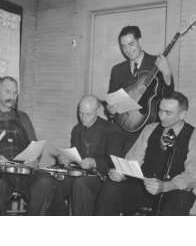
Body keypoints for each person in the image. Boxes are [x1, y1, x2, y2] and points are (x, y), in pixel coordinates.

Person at [0, 76, 58, 215]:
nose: (12, 97)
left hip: (23, 172)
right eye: (8, 92)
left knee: (46, 181)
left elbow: (35, 147)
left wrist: (34, 160)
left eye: (15, 93)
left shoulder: (23, 118)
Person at [95, 91, 196, 216]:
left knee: (181, 199)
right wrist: (122, 173)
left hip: (173, 191)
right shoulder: (150, 129)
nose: (161, 116)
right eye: (160, 110)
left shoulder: (193, 136)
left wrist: (166, 186)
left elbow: (192, 174)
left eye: (168, 113)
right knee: (111, 187)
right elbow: (132, 160)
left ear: (182, 114)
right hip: (144, 188)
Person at [105, 25, 174, 157]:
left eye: (131, 44)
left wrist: (167, 74)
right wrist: (110, 110)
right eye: (123, 46)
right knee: (111, 158)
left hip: (146, 128)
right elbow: (111, 102)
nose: (128, 50)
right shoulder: (117, 70)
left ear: (140, 41)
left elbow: (169, 97)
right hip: (121, 127)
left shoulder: (157, 63)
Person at [35, 95, 110, 215]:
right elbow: (75, 156)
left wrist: (94, 162)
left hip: (99, 177)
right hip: (78, 174)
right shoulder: (77, 129)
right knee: (53, 180)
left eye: (88, 114)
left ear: (97, 111)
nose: (83, 118)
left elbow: (112, 162)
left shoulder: (108, 129)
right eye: (81, 113)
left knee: (81, 185)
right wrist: (66, 159)